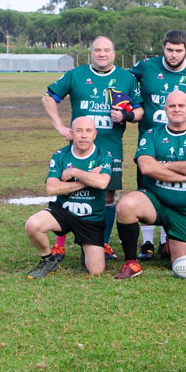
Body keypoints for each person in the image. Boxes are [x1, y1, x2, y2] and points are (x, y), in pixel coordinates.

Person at [41, 36, 143, 262]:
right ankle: (60, 244)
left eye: (107, 50)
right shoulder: (76, 75)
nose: (102, 54)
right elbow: (48, 97)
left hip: (111, 146)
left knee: (107, 194)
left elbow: (140, 111)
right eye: (98, 50)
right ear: (91, 53)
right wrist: (60, 126)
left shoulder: (126, 78)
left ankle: (103, 243)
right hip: (79, 145)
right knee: (68, 188)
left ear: (114, 54)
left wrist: (126, 115)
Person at [112, 91, 186, 279]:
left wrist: (164, 165)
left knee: (184, 266)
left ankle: (171, 242)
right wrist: (183, 176)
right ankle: (131, 262)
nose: (176, 109)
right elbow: (146, 167)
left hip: (184, 211)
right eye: (172, 106)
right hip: (154, 202)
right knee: (126, 205)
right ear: (165, 109)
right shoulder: (152, 134)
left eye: (181, 106)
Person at [130, 29, 186, 261]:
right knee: (147, 187)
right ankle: (146, 243)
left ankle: (166, 241)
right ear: (163, 48)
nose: (174, 54)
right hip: (151, 141)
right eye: (170, 50)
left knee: (171, 192)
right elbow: (124, 80)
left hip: (184, 142)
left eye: (179, 50)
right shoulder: (146, 66)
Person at [24, 116, 112, 278]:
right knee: (33, 225)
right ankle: (48, 260)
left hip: (91, 218)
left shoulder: (104, 155)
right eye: (79, 131)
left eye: (88, 131)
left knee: (96, 271)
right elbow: (52, 187)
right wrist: (86, 180)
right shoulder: (60, 155)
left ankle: (86, 248)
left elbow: (102, 183)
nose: (83, 135)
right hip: (63, 212)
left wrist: (74, 173)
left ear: (95, 134)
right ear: (71, 133)